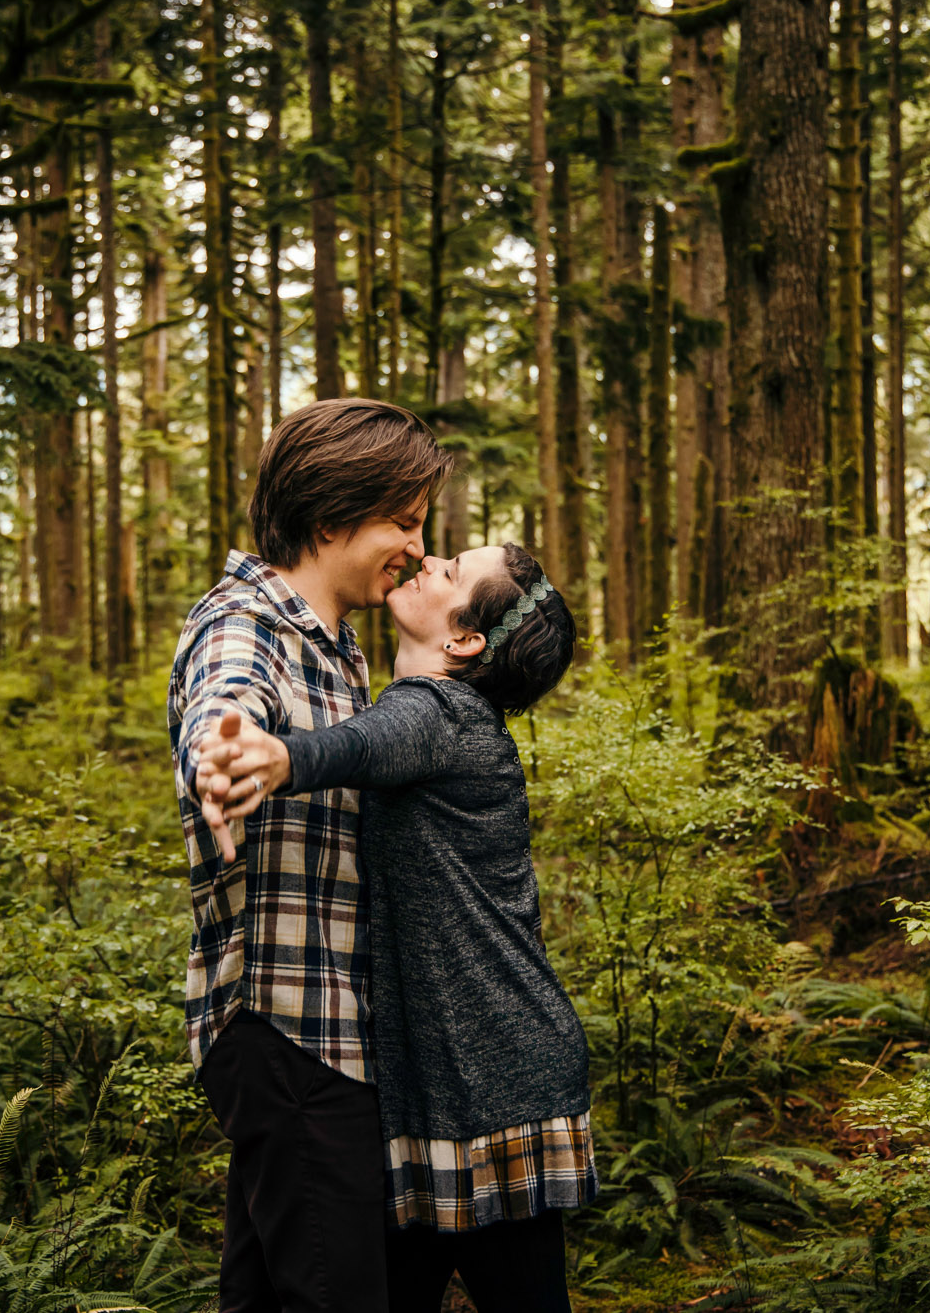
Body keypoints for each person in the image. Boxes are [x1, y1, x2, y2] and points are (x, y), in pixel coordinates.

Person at [196, 542, 593, 1313]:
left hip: (492, 1089)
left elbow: (364, 744)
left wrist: (278, 756)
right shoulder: (422, 705)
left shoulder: (440, 711)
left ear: (463, 639)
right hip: (430, 1090)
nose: (430, 559)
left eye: (450, 571)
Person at [166, 398, 453, 1313]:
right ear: (332, 516)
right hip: (289, 1027)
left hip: (324, 1031)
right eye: (400, 522)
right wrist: (225, 760)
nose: (414, 545)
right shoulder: (246, 621)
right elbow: (227, 701)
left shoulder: (340, 646)